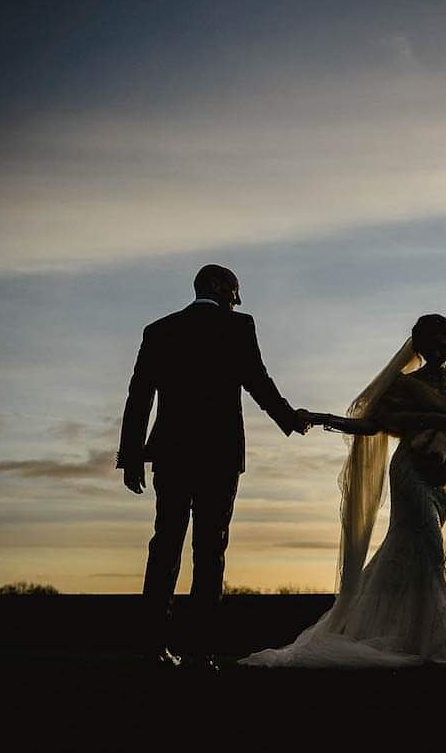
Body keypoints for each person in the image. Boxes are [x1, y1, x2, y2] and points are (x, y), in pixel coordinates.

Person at [239, 313, 446, 668]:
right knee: (433, 549)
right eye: (427, 342)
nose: (435, 348)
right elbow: (372, 425)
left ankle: (409, 636)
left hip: (443, 479)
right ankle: (442, 648)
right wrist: (326, 419)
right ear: (417, 346)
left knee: (410, 551)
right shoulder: (404, 385)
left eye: (440, 341)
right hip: (411, 473)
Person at [117, 264, 311, 672]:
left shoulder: (159, 330)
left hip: (171, 453)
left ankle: (153, 647)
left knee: (164, 545)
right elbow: (258, 381)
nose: (237, 299)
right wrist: (290, 419)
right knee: (210, 551)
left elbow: (139, 397)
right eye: (235, 290)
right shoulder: (238, 327)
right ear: (221, 288)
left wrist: (131, 456)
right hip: (219, 456)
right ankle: (200, 652)